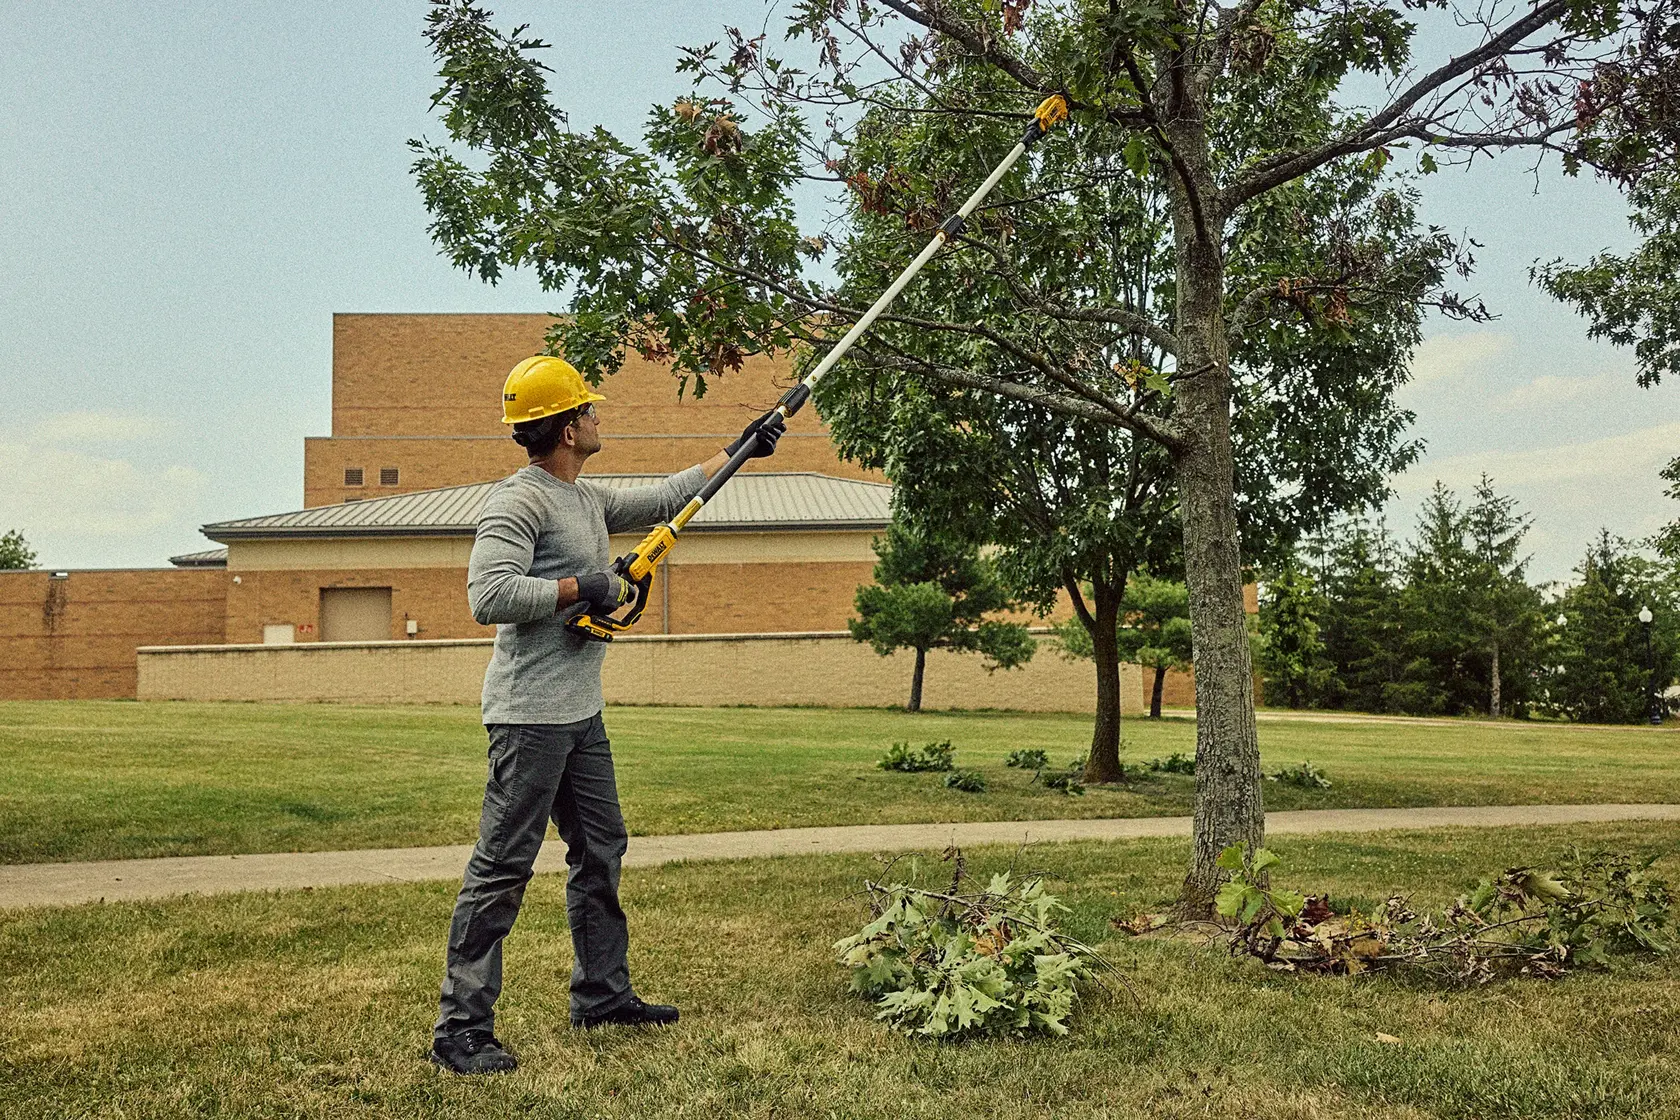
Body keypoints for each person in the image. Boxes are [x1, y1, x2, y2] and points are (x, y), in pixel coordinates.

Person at [431, 355, 783, 1075]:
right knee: (502, 867)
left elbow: (669, 496)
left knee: (600, 847)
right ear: (567, 429)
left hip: (581, 716)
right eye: (588, 409)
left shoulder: (584, 498)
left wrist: (742, 447)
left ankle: (601, 996)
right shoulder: (518, 504)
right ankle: (460, 1029)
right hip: (529, 719)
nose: (597, 416)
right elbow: (488, 596)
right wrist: (580, 586)